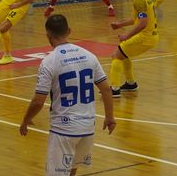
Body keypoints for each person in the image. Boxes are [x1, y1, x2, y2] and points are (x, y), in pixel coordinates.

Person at [19, 14, 116, 176]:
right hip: (87, 128)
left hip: (63, 130)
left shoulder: (50, 61)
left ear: (48, 35)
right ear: (69, 30)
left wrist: (26, 120)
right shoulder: (89, 56)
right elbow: (106, 89)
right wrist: (110, 117)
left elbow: (38, 101)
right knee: (72, 172)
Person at [108, 0, 159, 97]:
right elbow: (136, 19)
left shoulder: (139, 0)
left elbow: (142, 23)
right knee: (123, 53)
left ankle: (114, 89)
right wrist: (120, 24)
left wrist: (127, 35)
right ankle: (131, 84)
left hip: (145, 37)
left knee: (116, 55)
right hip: (150, 35)